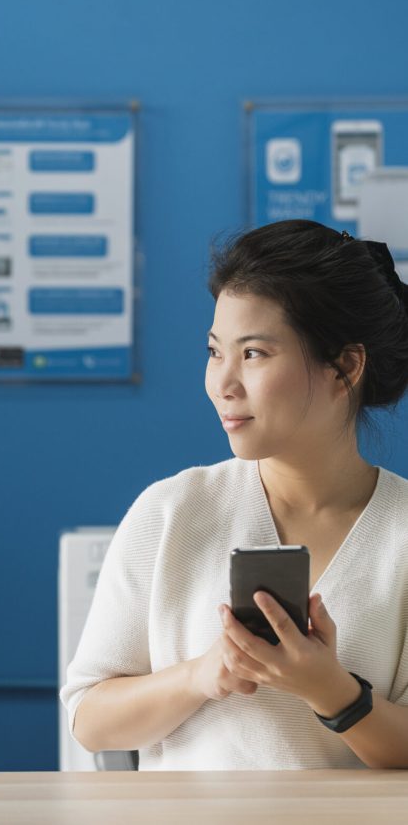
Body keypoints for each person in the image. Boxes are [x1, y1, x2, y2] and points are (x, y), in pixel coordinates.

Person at [60, 219, 408, 770]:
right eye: (214, 350)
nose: (222, 382)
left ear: (346, 365)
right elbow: (90, 721)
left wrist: (332, 692)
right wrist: (203, 675)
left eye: (254, 354)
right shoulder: (171, 512)